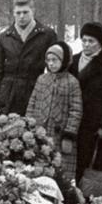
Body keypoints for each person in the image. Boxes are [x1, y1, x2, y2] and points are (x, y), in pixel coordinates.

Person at [0, 0, 57, 117]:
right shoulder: (4, 38)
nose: (21, 16)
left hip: (35, 93)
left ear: (33, 11)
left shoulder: (47, 35)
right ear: (13, 13)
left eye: (25, 12)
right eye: (18, 13)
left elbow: (54, 69)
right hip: (8, 98)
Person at [68, 22, 102, 186]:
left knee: (87, 160)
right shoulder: (73, 61)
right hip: (73, 118)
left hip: (93, 122)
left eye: (91, 41)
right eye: (84, 40)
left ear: (100, 43)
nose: (86, 44)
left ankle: (85, 194)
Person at [26, 41, 83, 182]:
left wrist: (69, 133)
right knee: (39, 164)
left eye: (55, 60)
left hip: (60, 133)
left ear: (64, 61)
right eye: (48, 60)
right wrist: (28, 124)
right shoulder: (42, 79)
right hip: (40, 132)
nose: (51, 64)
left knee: (60, 168)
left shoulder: (72, 82)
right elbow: (32, 102)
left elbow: (76, 110)